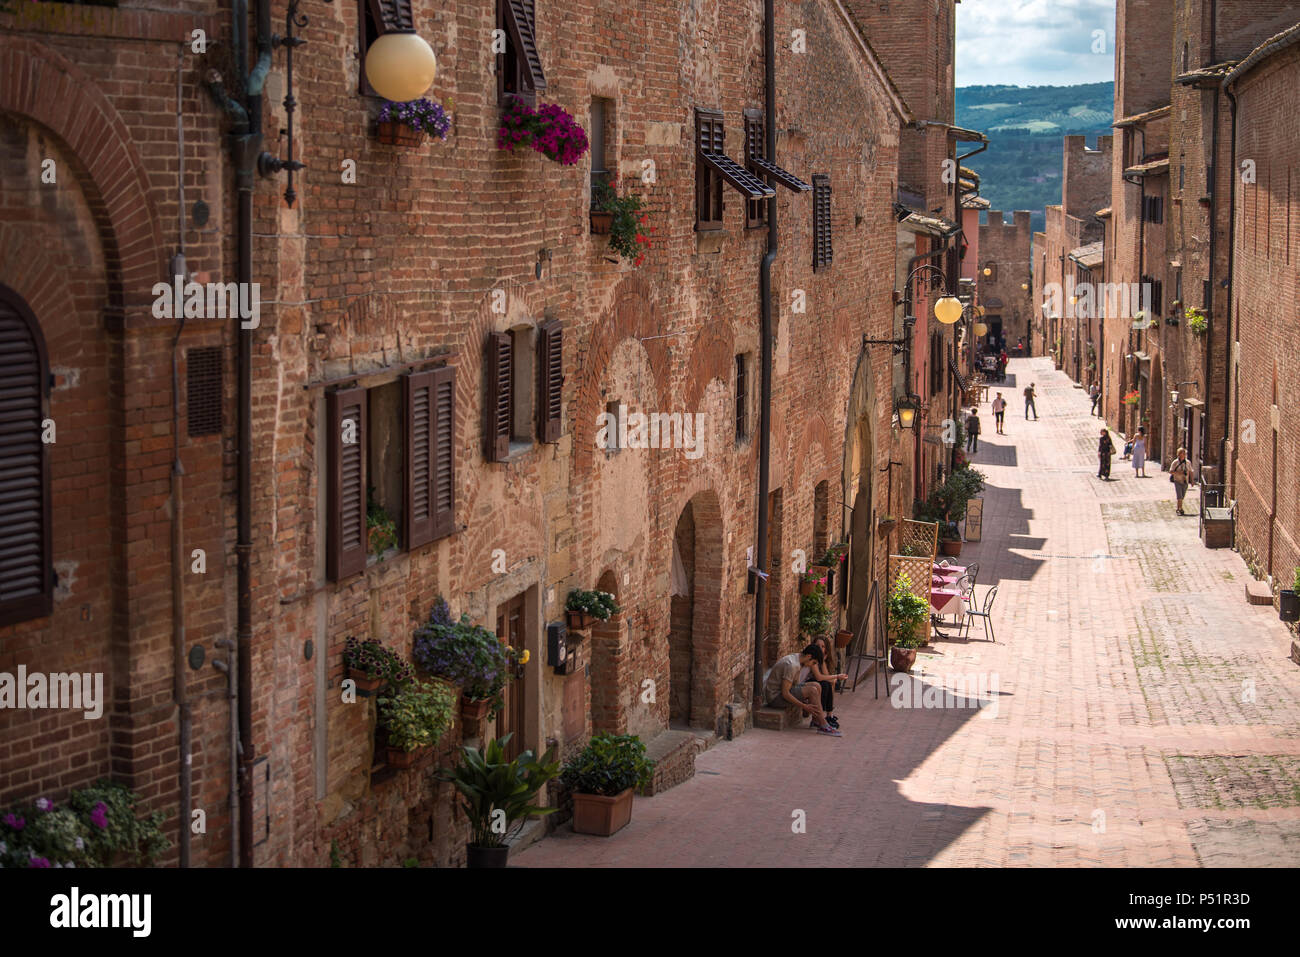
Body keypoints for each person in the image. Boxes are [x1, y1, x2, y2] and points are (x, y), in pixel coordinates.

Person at [763, 644, 841, 735]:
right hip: (775, 698)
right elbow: (785, 693)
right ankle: (824, 725)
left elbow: (794, 685)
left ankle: (816, 720)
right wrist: (804, 706)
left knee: (817, 685)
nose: (813, 665)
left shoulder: (798, 659)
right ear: (809, 656)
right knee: (812, 690)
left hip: (784, 691)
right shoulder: (792, 665)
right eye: (814, 662)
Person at [804, 636, 849, 729]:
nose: (820, 648)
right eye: (818, 646)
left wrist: (823, 662)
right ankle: (816, 719)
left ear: (826, 649)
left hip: (815, 681)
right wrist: (836, 676)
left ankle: (829, 715)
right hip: (807, 683)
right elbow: (819, 677)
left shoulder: (820, 660)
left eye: (823, 646)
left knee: (828, 683)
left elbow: (826, 675)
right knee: (824, 684)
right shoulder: (811, 658)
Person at [1170, 447, 1193, 515]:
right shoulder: (1175, 462)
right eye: (1181, 453)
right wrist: (1178, 473)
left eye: (1184, 453)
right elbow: (1171, 471)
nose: (1183, 455)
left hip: (1185, 481)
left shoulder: (1188, 462)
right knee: (1179, 495)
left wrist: (1192, 481)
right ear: (1178, 454)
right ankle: (1180, 509)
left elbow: (1191, 471)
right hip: (1177, 480)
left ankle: (1179, 508)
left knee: (1182, 496)